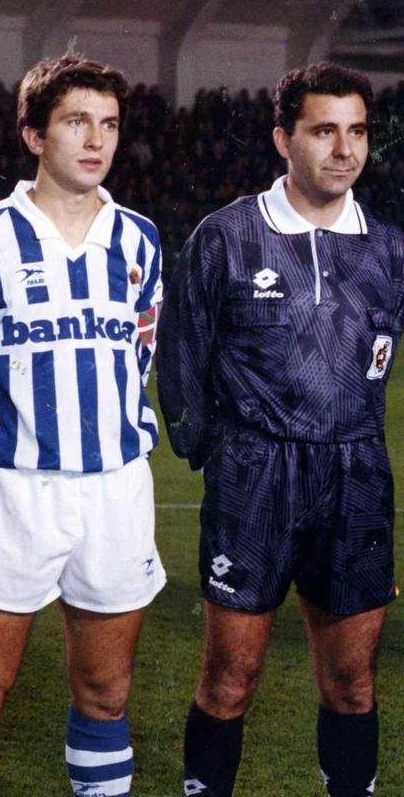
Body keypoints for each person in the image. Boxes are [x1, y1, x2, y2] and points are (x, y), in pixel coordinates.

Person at [0, 53, 164, 797]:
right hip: (13, 492)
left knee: (106, 695)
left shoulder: (140, 241)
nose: (96, 140)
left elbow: (140, 356)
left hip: (117, 492)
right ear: (33, 134)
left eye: (110, 124)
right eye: (76, 121)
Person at [159, 62, 402, 797]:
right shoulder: (227, 236)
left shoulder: (389, 249)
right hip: (255, 479)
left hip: (356, 475)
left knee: (354, 682)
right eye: (324, 130)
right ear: (282, 138)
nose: (344, 149)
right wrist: (221, 455)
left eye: (356, 131)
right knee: (231, 679)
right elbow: (181, 363)